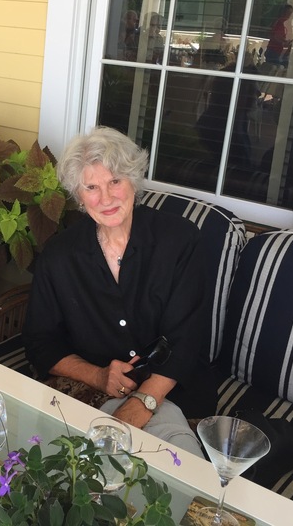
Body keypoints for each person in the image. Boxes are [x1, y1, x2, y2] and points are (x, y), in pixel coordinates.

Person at [23, 127, 216, 457]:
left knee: (162, 460)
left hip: (172, 392)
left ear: (133, 181)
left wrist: (140, 404)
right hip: (91, 393)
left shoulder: (179, 241)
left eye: (115, 181)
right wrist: (99, 376)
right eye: (91, 187)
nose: (106, 198)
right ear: (79, 195)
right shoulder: (59, 255)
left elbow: (186, 341)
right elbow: (41, 342)